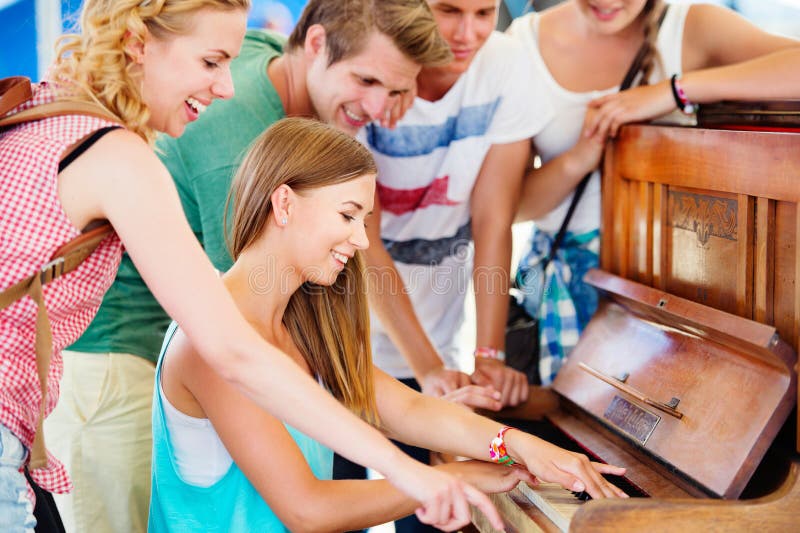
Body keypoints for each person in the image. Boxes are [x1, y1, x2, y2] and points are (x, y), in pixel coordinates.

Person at [0, 0, 505, 531]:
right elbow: (237, 343)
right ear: (136, 43)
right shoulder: (124, 155)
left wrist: (471, 434)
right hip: (113, 359)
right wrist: (406, 470)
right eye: (210, 61)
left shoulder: (59, 111)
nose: (225, 87)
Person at [149, 116, 628, 532]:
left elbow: (409, 411)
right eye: (347, 215)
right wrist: (453, 479)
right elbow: (306, 510)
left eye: (365, 219)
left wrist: (519, 446)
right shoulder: (211, 341)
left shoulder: (301, 324)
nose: (361, 239)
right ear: (285, 204)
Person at [508, 0, 800, 385]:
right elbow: (513, 208)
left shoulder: (690, 25)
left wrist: (675, 90)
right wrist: (580, 157)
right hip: (563, 286)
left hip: (671, 286)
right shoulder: (524, 43)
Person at [353, 2, 554, 529]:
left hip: (432, 342)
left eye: (484, 11)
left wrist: (487, 355)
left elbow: (494, 218)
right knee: (339, 498)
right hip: (341, 338)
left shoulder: (508, 65)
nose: (468, 33)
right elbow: (361, 238)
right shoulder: (379, 66)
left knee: (432, 515)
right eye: (448, 10)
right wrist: (426, 369)